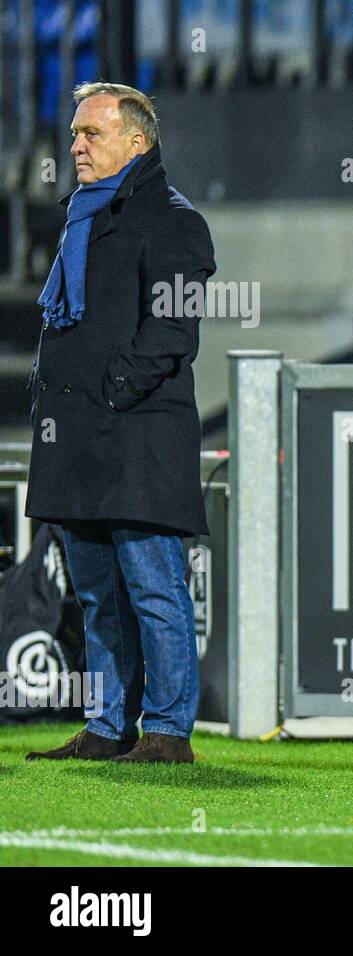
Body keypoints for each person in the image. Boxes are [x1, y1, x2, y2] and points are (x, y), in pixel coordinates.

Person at [25, 82, 215, 763]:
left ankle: (168, 731)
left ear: (137, 142)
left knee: (155, 590)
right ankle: (109, 727)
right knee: (98, 597)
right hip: (79, 438)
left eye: (91, 134)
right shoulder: (83, 212)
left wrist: (109, 393)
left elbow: (174, 332)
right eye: (75, 134)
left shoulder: (175, 220)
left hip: (136, 436)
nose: (75, 145)